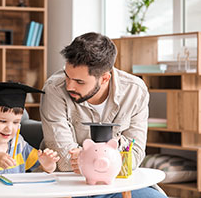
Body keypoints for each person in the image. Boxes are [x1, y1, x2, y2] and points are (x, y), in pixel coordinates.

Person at [40, 32, 167, 197]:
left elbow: (134, 156)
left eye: (79, 82)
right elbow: (64, 161)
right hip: (69, 184)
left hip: (117, 182)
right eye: (67, 76)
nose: (69, 86)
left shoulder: (135, 91)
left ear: (105, 78)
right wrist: (108, 159)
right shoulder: (54, 89)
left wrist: (86, 159)